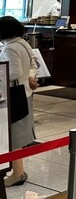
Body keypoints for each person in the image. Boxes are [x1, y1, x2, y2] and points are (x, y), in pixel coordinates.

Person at [0, 16, 39, 187]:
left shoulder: (10, 48)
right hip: (24, 93)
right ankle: (18, 171)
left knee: (14, 135)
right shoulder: (23, 43)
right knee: (17, 134)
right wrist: (30, 78)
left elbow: (13, 73)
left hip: (13, 95)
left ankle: (17, 173)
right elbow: (33, 64)